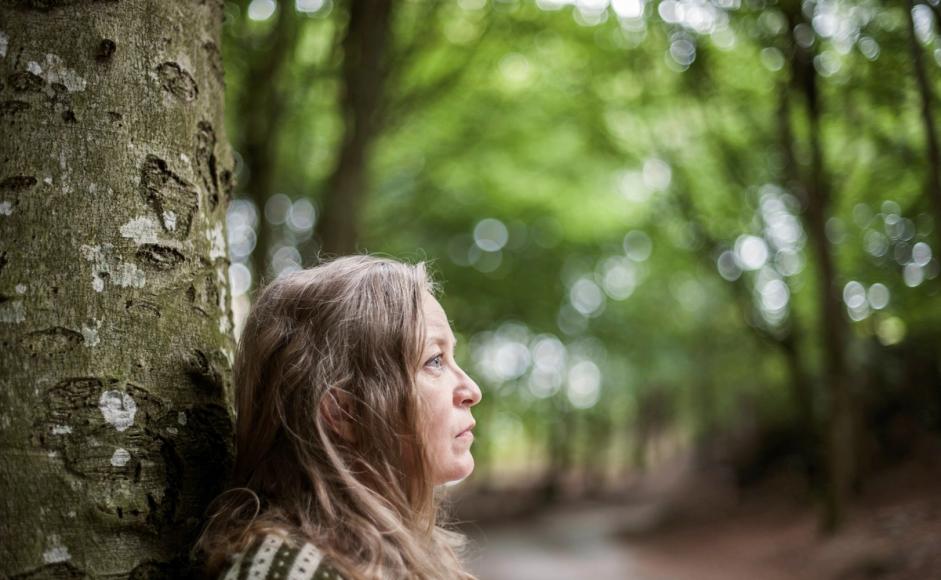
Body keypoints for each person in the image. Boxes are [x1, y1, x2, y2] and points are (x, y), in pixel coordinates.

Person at [196, 256, 483, 580]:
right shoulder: (288, 570)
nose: (471, 390)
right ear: (344, 412)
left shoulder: (393, 552)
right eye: (434, 360)